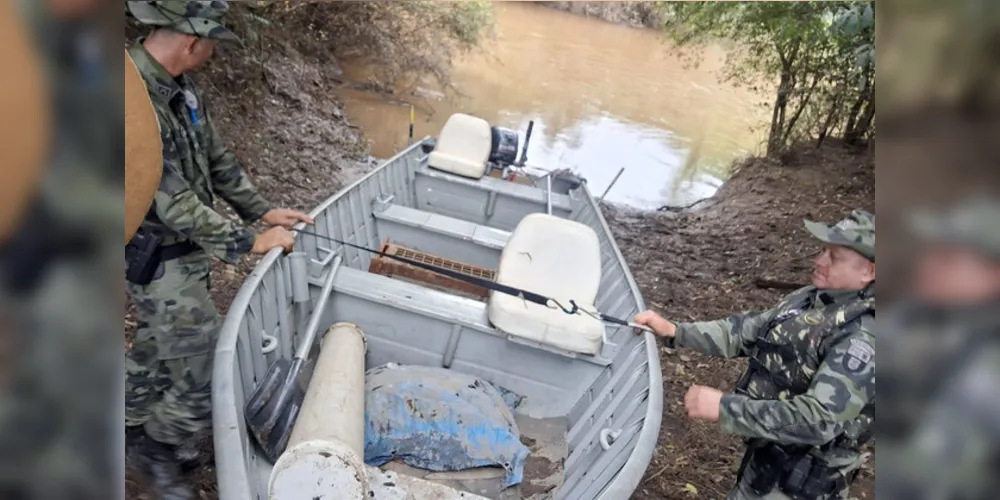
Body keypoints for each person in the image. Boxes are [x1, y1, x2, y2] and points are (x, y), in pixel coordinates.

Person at [124, 1, 314, 497]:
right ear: (192, 42)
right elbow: (173, 201)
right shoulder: (127, 101)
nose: (211, 53)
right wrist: (249, 241)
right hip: (153, 251)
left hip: (185, 251)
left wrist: (261, 211)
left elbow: (215, 156)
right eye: (210, 43)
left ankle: (129, 427)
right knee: (205, 357)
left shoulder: (180, 88)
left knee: (156, 346)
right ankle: (155, 450)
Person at [634, 209, 876, 500]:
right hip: (769, 462)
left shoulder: (862, 338)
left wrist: (726, 407)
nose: (819, 260)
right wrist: (675, 330)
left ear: (869, 272)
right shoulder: (810, 299)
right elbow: (743, 331)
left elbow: (819, 420)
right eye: (822, 250)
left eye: (834, 257)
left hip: (802, 484)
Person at [879, 196, 1000, 500]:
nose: (927, 266)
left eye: (948, 259)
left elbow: (925, 478)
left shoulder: (988, 365)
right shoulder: (924, 316)